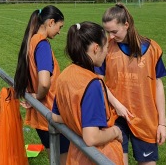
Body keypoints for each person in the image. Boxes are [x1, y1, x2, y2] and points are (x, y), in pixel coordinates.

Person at [98, 3, 166, 165]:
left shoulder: (152, 49)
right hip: (116, 116)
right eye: (107, 32)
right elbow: (99, 82)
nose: (111, 36)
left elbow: (158, 85)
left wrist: (162, 123)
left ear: (126, 25)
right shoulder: (106, 48)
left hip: (145, 119)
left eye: (114, 31)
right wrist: (117, 105)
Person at [51, 22, 124, 164]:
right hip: (100, 156)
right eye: (106, 48)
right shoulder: (92, 83)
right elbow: (91, 137)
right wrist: (116, 131)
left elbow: (56, 116)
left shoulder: (65, 74)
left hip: (76, 155)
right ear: (96, 48)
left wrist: (77, 121)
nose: (107, 53)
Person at [14, 5, 69, 164]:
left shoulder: (31, 40)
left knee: (54, 159)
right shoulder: (42, 45)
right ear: (51, 22)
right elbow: (44, 82)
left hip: (42, 115)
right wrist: (37, 96)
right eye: (60, 27)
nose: (59, 31)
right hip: (51, 113)